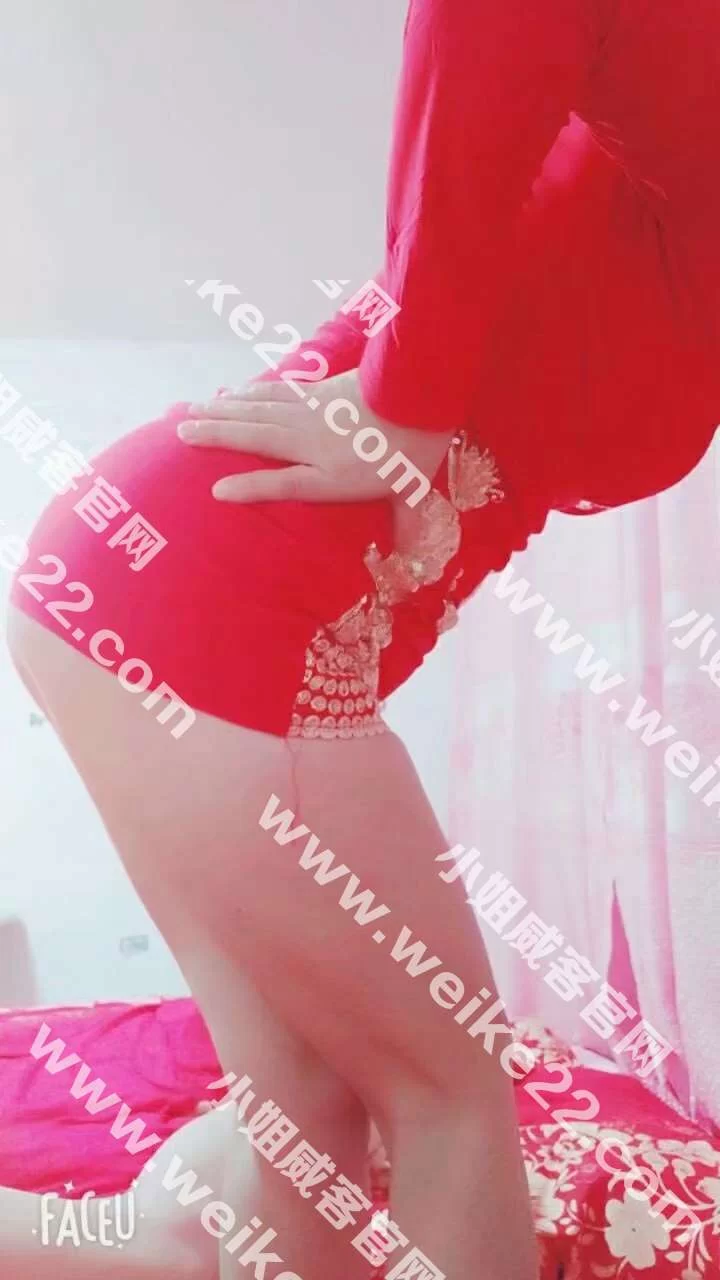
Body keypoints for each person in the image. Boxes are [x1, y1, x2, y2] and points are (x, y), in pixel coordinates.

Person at [5, 0, 720, 1276]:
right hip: (212, 592)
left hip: (151, 587)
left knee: (309, 1118)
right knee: (449, 1097)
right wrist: (411, 400)